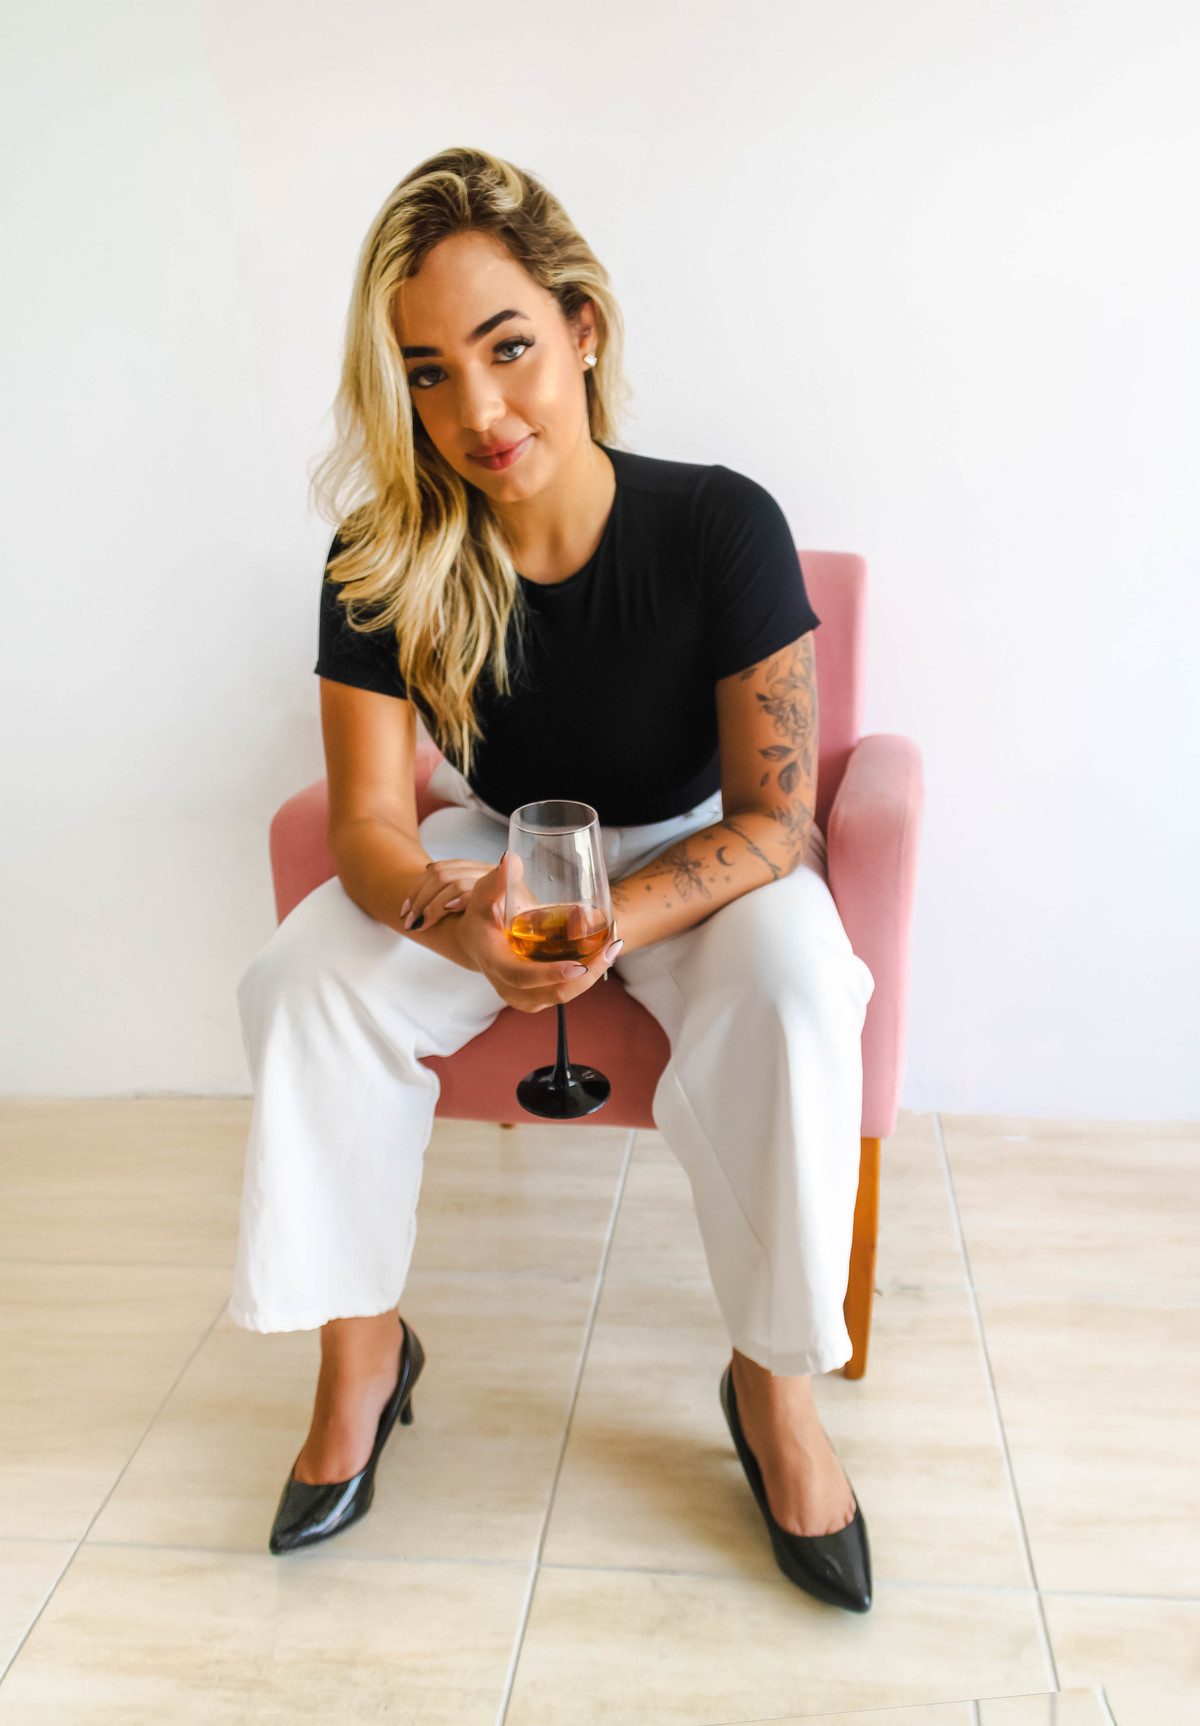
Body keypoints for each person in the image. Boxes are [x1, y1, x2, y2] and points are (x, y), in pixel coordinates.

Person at [231, 146, 875, 1612]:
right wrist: (464, 918)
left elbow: (778, 818)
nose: (478, 409)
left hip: (698, 853)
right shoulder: (383, 554)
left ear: (583, 327)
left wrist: (603, 922)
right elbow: (372, 828)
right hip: (502, 845)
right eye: (430, 373)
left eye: (507, 346)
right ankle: (362, 1359)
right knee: (303, 980)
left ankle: (774, 1390)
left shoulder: (720, 524)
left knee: (793, 985)